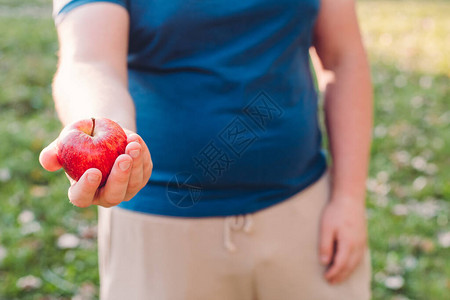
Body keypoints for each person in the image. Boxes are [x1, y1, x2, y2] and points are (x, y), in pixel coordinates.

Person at [40, 0, 373, 299]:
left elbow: (343, 58)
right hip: (161, 229)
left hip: (305, 214)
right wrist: (109, 136)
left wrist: (348, 198)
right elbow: (89, 60)